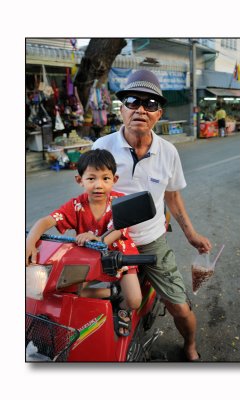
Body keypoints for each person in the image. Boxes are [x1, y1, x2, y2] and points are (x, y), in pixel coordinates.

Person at [92, 69, 212, 361]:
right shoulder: (102, 147)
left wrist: (192, 234)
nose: (141, 110)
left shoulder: (168, 152)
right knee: (87, 299)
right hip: (110, 242)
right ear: (121, 108)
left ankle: (190, 345)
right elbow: (90, 196)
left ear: (159, 113)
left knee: (180, 307)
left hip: (151, 241)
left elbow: (172, 196)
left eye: (151, 104)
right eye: (133, 101)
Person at [26, 149, 142, 336]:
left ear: (115, 179)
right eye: (91, 178)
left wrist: (99, 239)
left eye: (105, 178)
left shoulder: (119, 201)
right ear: (79, 181)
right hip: (89, 259)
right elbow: (46, 221)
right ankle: (112, 292)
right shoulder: (76, 206)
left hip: (120, 258)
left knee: (135, 300)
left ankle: (121, 307)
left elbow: (119, 230)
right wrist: (29, 242)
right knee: (68, 294)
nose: (99, 185)